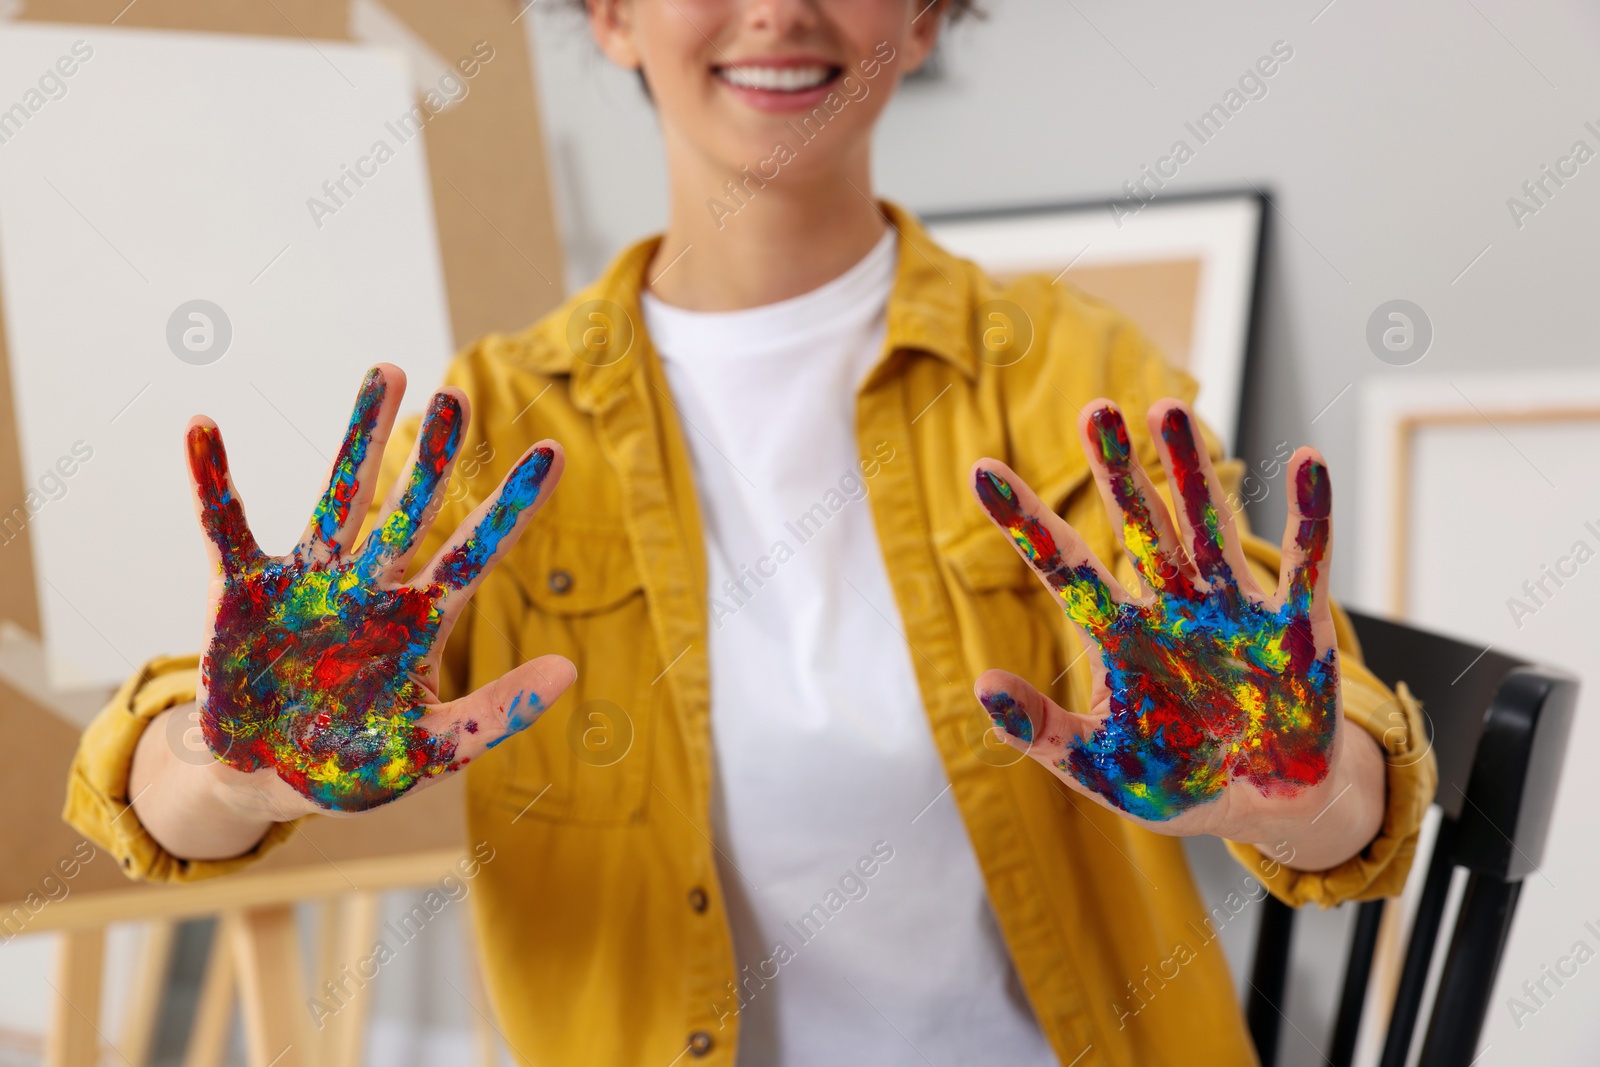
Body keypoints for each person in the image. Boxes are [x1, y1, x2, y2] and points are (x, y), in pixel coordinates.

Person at [66, 1, 1436, 1064]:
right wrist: (233, 770)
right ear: (608, 15)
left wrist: (1302, 785)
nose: (777, 10)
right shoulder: (498, 425)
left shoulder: (1070, 379)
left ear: (925, 14)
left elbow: (1341, 787)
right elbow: (169, 804)